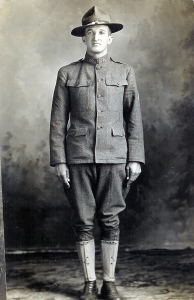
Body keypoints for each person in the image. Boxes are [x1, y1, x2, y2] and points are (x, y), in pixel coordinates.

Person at [50, 6, 145, 300]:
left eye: (101, 32)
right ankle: (89, 283)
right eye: (90, 32)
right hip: (77, 158)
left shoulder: (125, 72)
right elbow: (57, 121)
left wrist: (135, 158)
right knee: (82, 219)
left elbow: (134, 119)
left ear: (110, 38)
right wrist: (59, 161)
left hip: (116, 156)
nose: (96, 37)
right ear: (83, 38)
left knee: (111, 219)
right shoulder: (67, 73)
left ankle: (109, 282)